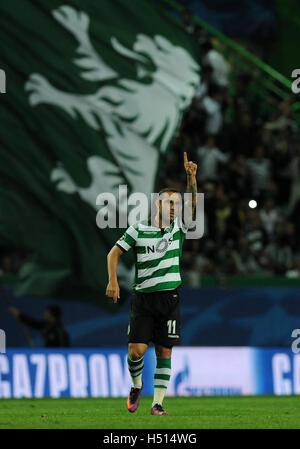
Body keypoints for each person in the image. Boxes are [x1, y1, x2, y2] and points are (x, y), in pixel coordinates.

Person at [106, 152, 197, 416]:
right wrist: (113, 280)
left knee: (164, 351)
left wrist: (191, 178)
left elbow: (193, 206)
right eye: (169, 203)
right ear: (158, 204)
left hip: (169, 298)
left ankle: (157, 404)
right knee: (136, 352)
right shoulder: (138, 229)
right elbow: (113, 253)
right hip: (143, 299)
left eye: (176, 204)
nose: (174, 207)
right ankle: (136, 385)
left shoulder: (179, 227)